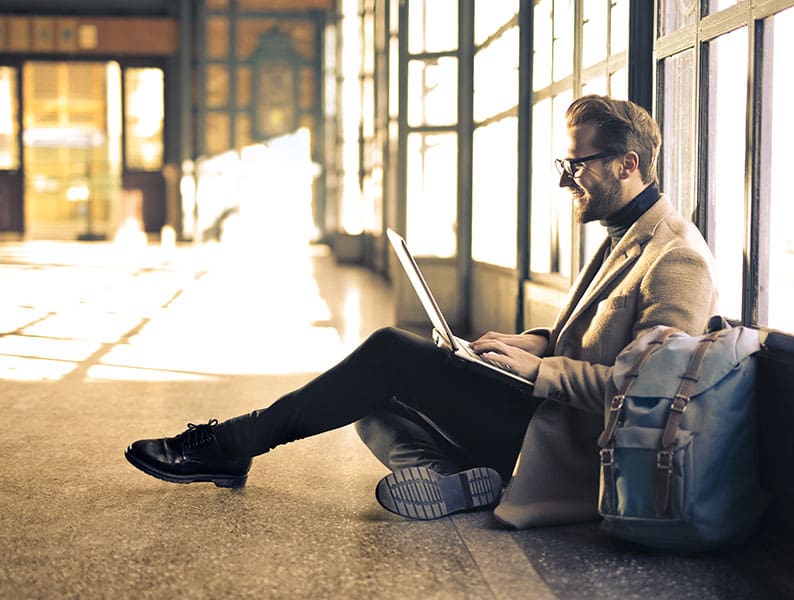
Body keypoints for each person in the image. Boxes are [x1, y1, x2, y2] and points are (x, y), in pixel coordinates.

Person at [125, 95, 717, 526]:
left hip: (568, 447)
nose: (567, 181)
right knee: (363, 400)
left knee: (388, 352)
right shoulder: (626, 231)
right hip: (541, 416)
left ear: (628, 163)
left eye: (576, 165)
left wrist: (535, 372)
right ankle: (453, 481)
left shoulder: (675, 258)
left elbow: (651, 396)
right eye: (564, 167)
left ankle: (232, 444)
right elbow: (594, 338)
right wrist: (533, 342)